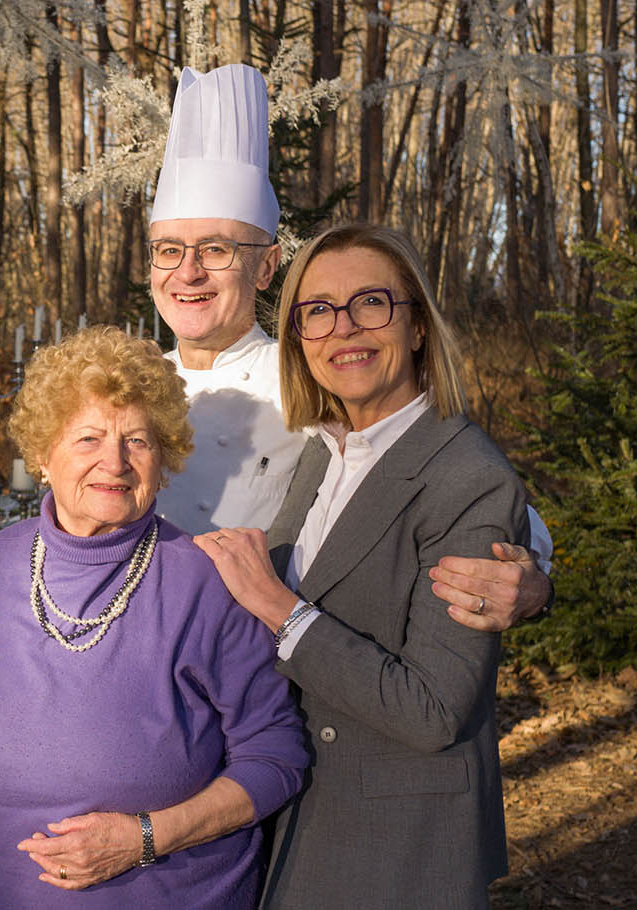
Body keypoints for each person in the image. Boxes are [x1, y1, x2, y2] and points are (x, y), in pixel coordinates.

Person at [146, 63, 551, 632]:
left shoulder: (308, 379)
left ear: (265, 267)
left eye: (215, 250)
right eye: (169, 249)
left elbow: (459, 491)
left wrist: (533, 581)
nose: (188, 273)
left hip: (259, 678)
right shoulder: (129, 391)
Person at [196, 223, 526, 908]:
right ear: (297, 338)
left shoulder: (466, 474)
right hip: (299, 812)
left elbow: (432, 709)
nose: (343, 329)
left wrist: (277, 608)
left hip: (394, 839)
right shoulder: (325, 449)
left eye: (370, 303)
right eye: (316, 311)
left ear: (415, 327)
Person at [0, 326, 309, 909]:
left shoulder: (207, 583)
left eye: (137, 441)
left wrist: (143, 839)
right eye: (87, 438)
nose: (114, 462)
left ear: (163, 459)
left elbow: (277, 755)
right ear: (42, 455)